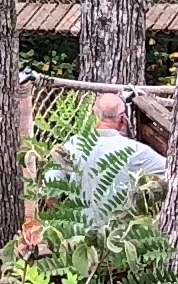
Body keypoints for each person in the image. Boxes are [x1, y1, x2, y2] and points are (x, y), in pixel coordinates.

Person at [47, 92, 167, 224]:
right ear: (123, 119)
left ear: (93, 116)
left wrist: (60, 221)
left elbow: (50, 187)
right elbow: (171, 173)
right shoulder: (135, 151)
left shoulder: (74, 145)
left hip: (78, 230)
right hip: (118, 232)